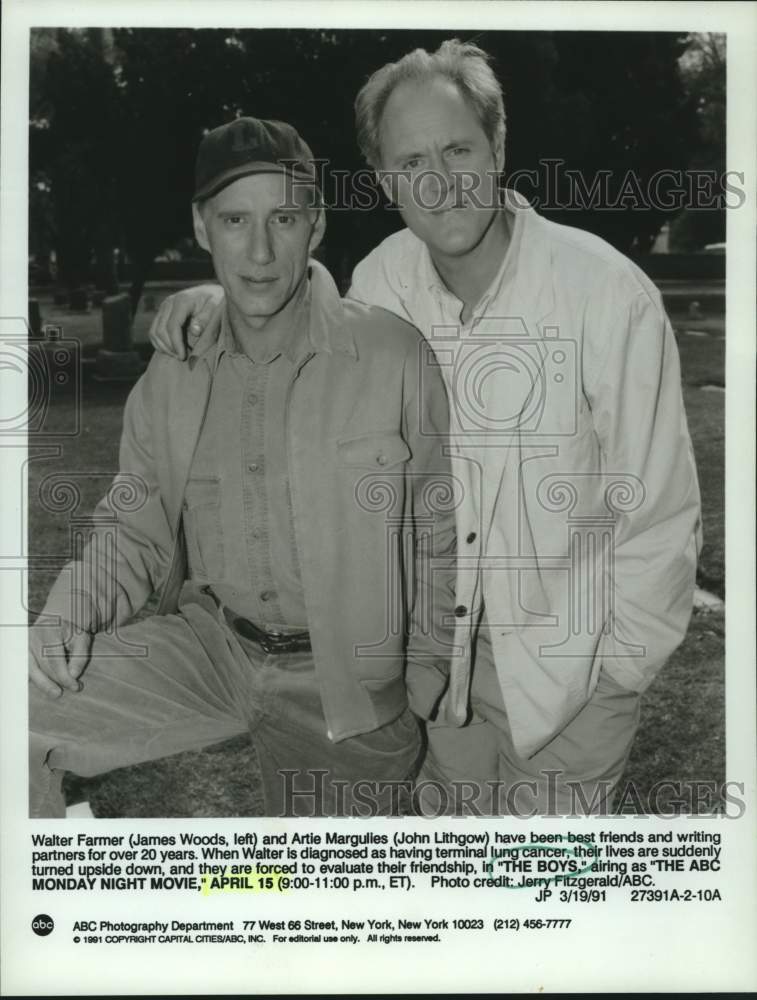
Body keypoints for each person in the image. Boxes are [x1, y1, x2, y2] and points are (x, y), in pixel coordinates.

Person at [149, 41, 702, 816]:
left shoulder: (605, 294)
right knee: (444, 909)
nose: (439, 184)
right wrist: (216, 295)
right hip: (430, 679)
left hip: (568, 676)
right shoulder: (381, 281)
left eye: (457, 150)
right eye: (411, 162)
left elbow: (658, 510)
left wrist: (618, 677)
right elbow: (290, 306)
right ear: (383, 178)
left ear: (498, 147)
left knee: (542, 915)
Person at [29, 116, 456, 819]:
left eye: (283, 218)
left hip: (345, 689)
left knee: (318, 914)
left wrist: (423, 676)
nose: (259, 250)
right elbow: (134, 531)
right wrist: (67, 609)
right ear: (202, 228)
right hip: (210, 648)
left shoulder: (391, 356)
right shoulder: (173, 372)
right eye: (234, 220)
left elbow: (438, 534)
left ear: (313, 226)